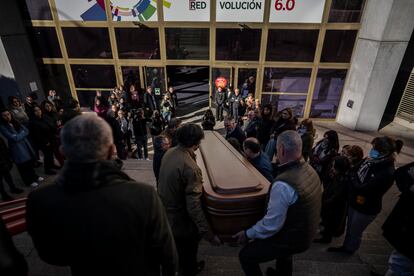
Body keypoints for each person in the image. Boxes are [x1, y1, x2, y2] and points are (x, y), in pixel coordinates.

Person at [26, 114, 178, 276]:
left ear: (63, 151)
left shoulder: (39, 199)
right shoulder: (144, 195)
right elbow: (166, 251)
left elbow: (51, 255)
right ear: (112, 149)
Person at [233, 130, 322, 276]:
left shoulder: (283, 184)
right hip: (306, 233)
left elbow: (271, 225)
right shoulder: (309, 169)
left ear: (280, 149)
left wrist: (248, 234)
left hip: (292, 238)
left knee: (246, 256)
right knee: (285, 256)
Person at [158, 123, 221, 276]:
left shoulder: (170, 152)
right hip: (181, 223)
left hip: (165, 215)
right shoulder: (191, 168)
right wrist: (209, 234)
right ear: (196, 143)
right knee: (188, 251)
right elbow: (194, 207)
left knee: (179, 251)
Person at [328, 137, 398, 254]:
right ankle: (346, 246)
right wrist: (353, 175)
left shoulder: (387, 172)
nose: (372, 151)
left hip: (366, 208)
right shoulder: (370, 160)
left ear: (384, 153)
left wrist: (352, 176)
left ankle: (349, 249)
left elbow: (362, 188)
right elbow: (354, 169)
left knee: (355, 231)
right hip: (354, 201)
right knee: (350, 228)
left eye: (375, 149)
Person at [381, 161, 414, 276]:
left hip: (410, 231)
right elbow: (401, 173)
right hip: (405, 221)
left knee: (399, 263)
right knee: (398, 261)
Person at [0, 110, 41, 188]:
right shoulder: (2, 126)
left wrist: (19, 135)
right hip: (17, 148)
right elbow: (13, 138)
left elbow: (26, 130)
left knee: (29, 162)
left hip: (25, 144)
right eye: (4, 115)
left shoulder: (15, 122)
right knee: (22, 166)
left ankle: (34, 176)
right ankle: (28, 181)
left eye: (8, 114)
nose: (7, 116)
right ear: (2, 117)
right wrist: (21, 134)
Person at [315, 156, 350, 244]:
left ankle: (326, 239)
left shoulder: (343, 180)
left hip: (333, 208)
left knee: (330, 223)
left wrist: (324, 203)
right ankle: (325, 234)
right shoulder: (337, 176)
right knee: (327, 223)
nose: (332, 167)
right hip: (329, 205)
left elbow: (336, 196)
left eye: (334, 166)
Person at [29, 106, 56, 175]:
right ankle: (47, 170)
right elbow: (37, 135)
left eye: (39, 109)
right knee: (47, 155)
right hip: (44, 142)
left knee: (51, 154)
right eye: (36, 110)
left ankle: (52, 165)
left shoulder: (44, 117)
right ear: (33, 112)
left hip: (50, 138)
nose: (38, 111)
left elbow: (51, 123)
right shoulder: (33, 122)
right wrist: (45, 141)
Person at [0, 136, 23, 201]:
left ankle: (13, 188)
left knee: (7, 175)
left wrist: (8, 158)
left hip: (3, 160)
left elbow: (4, 148)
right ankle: (3, 194)